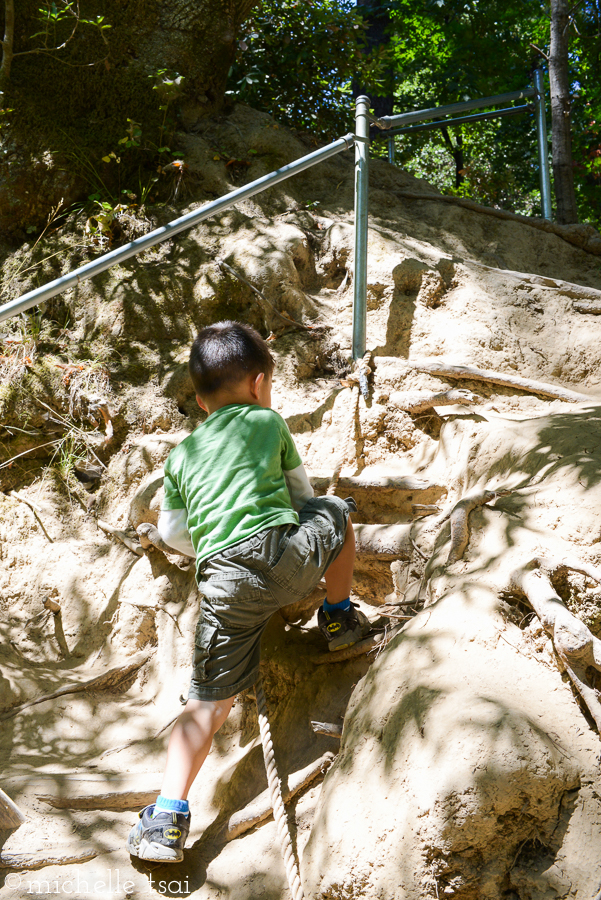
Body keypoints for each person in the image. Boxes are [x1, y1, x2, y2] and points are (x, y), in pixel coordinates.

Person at [127, 320, 370, 863]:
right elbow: (302, 496)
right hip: (283, 561)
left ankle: (166, 818)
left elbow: (171, 534)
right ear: (260, 384)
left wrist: (215, 543)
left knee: (206, 703)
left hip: (222, 583)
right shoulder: (267, 421)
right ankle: (337, 617)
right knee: (335, 512)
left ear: (198, 397)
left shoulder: (181, 454)